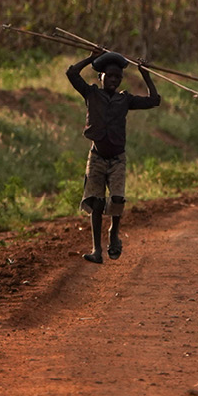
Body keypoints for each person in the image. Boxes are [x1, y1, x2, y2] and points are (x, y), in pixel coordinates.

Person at [67, 50, 160, 264]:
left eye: (117, 77)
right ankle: (96, 250)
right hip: (97, 156)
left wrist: (145, 74)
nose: (113, 80)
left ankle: (113, 233)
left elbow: (154, 100)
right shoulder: (90, 93)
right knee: (96, 203)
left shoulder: (124, 99)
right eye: (109, 76)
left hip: (117, 158)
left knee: (117, 199)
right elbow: (71, 73)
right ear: (100, 77)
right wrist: (90, 58)